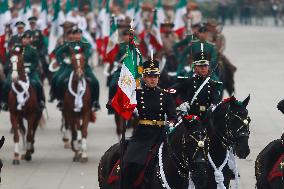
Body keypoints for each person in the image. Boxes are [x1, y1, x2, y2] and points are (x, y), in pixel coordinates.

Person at [122, 58, 177, 189]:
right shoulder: (137, 94)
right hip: (143, 134)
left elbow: (173, 116)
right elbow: (124, 105)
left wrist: (170, 124)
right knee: (130, 162)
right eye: (149, 76)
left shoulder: (165, 95)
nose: (153, 79)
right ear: (144, 77)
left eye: (155, 76)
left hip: (161, 134)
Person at [54, 28, 100, 111]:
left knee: (95, 82)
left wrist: (81, 61)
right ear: (73, 35)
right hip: (71, 68)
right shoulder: (69, 44)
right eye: (76, 34)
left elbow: (88, 54)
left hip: (84, 67)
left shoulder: (86, 44)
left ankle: (95, 102)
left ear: (81, 35)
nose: (78, 36)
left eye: (79, 34)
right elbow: (58, 53)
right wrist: (62, 62)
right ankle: (61, 100)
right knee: (59, 81)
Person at [1, 31, 45, 111]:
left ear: (30, 40)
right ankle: (4, 102)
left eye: (27, 39)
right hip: (16, 70)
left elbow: (35, 62)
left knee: (38, 83)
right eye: (24, 38)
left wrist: (30, 68)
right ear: (21, 39)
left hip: (30, 72)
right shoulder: (15, 48)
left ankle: (40, 101)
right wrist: (11, 65)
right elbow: (9, 58)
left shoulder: (32, 50)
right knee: (7, 83)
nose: (25, 40)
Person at [173, 49, 222, 119]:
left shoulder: (212, 84)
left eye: (205, 66)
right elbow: (170, 92)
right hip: (189, 117)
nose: (203, 68)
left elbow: (215, 101)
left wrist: (213, 107)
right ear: (195, 67)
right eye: (200, 66)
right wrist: (180, 103)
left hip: (206, 118)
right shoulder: (187, 81)